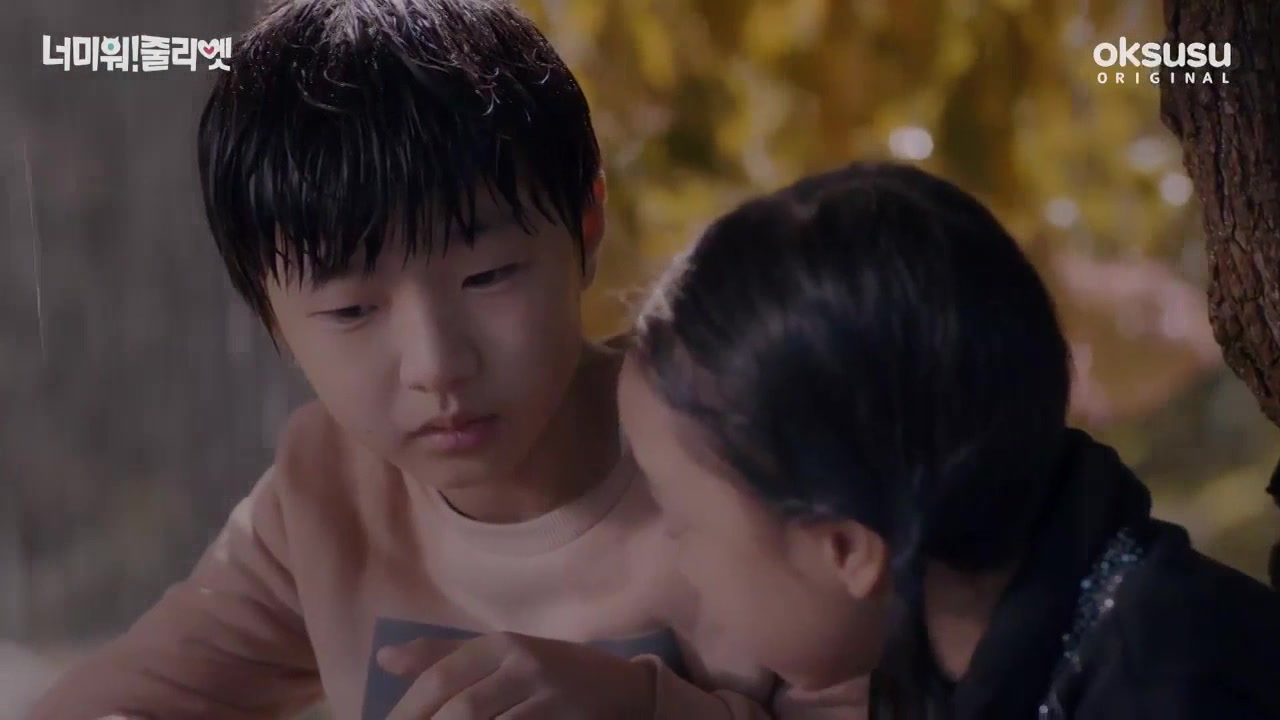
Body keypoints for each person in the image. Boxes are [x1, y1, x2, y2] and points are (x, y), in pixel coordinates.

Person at [25, 2, 870, 718]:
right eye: (352, 310)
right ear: (267, 312)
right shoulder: (325, 494)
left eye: (488, 275)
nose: (436, 365)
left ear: (587, 227)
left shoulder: (735, 443)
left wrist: (644, 707)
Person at [618, 161, 1280, 719]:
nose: (681, 561)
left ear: (845, 548)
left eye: (685, 525)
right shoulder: (940, 648)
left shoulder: (1181, 690)